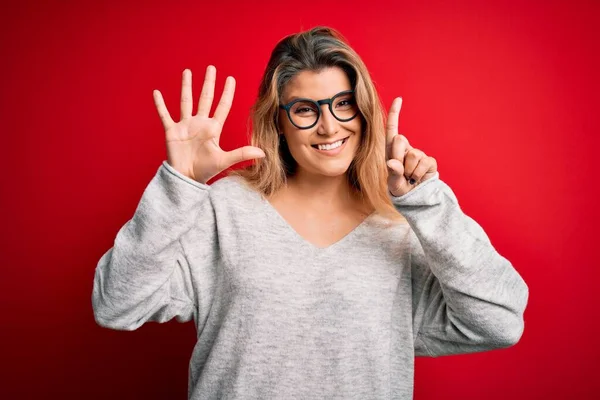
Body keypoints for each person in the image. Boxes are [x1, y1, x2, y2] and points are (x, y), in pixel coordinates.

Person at [92, 26, 529, 400]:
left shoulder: (402, 228)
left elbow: (499, 321)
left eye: (343, 103)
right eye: (305, 110)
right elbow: (116, 305)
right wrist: (178, 184)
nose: (329, 126)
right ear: (278, 122)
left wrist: (429, 204)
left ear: (364, 111)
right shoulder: (222, 209)